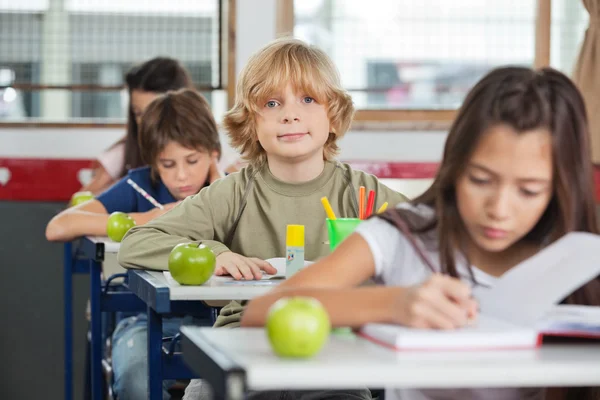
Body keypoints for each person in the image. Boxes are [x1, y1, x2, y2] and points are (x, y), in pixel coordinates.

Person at [241, 67, 600, 400]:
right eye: (480, 180)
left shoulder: (578, 252)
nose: (499, 209)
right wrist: (393, 304)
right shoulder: (403, 236)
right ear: (455, 166)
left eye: (529, 191)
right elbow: (261, 311)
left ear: (561, 187)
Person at [118, 37, 408, 400]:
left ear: (333, 115)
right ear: (250, 122)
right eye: (272, 103)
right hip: (240, 345)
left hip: (330, 352)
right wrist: (215, 254)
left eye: (308, 99)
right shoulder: (234, 192)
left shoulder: (360, 192)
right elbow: (136, 242)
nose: (290, 114)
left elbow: (430, 236)